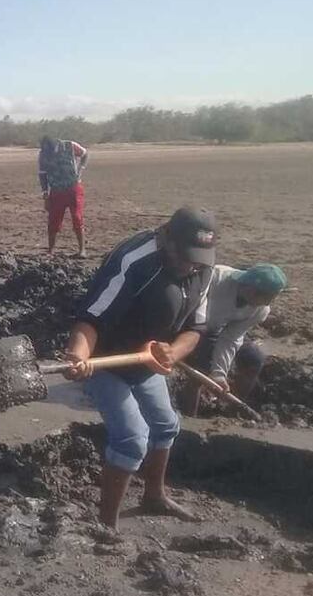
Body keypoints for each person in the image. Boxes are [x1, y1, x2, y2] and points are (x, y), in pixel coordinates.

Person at [63, 206, 217, 529]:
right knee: (132, 439)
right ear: (168, 241)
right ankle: (107, 525)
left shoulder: (203, 266)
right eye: (186, 255)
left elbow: (196, 328)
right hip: (107, 362)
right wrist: (79, 355)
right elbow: (91, 318)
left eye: (198, 258)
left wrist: (174, 352)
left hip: (150, 360)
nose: (191, 265)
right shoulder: (134, 261)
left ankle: (154, 496)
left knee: (166, 425)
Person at [178, 263, 287, 416]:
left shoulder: (261, 309)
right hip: (185, 324)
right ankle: (190, 417)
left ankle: (230, 413)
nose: (266, 303)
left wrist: (219, 374)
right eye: (264, 297)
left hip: (214, 329)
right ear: (250, 288)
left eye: (271, 298)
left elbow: (231, 338)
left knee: (253, 358)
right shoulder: (214, 278)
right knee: (201, 369)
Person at [38, 136, 90, 257]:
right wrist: (45, 195)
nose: (49, 154)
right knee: (53, 221)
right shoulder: (43, 154)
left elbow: (85, 154)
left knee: (77, 218)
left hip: (73, 188)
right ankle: (50, 251)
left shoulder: (70, 146)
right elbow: (42, 174)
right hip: (56, 191)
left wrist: (80, 169)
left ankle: (82, 250)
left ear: (56, 145)